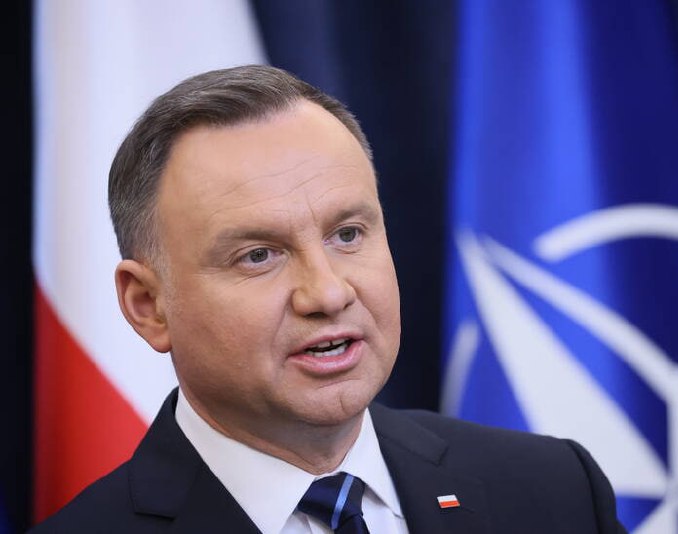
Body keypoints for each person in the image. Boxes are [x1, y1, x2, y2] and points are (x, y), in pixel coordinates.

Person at [30, 65, 625, 533]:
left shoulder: (554, 490)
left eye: (347, 235)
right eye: (258, 255)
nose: (328, 292)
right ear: (148, 305)